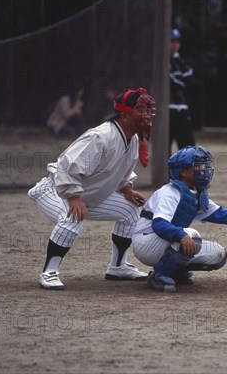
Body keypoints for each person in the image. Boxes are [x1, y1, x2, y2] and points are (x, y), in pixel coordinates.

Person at [28, 87, 156, 290]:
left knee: (130, 210)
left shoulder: (131, 138)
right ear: (124, 114)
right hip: (54, 189)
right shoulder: (101, 136)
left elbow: (119, 173)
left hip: (85, 195)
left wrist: (127, 190)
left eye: (149, 110)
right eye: (142, 110)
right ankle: (49, 272)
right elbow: (67, 167)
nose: (147, 115)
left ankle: (118, 267)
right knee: (72, 216)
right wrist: (73, 198)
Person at [131, 146, 227, 292]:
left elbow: (221, 215)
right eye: (198, 166)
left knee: (217, 254)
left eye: (204, 165)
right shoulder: (170, 192)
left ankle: (174, 270)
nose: (204, 170)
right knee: (190, 235)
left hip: (164, 242)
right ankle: (159, 274)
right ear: (183, 172)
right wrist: (182, 235)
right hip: (146, 242)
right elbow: (159, 225)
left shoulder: (196, 192)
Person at [168, 28, 196, 151]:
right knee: (164, 146)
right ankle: (164, 170)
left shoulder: (181, 61)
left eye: (177, 41)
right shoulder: (162, 61)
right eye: (172, 40)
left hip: (182, 108)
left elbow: (190, 81)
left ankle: (186, 170)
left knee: (188, 146)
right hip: (167, 110)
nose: (175, 44)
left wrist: (181, 82)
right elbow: (173, 82)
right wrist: (182, 82)